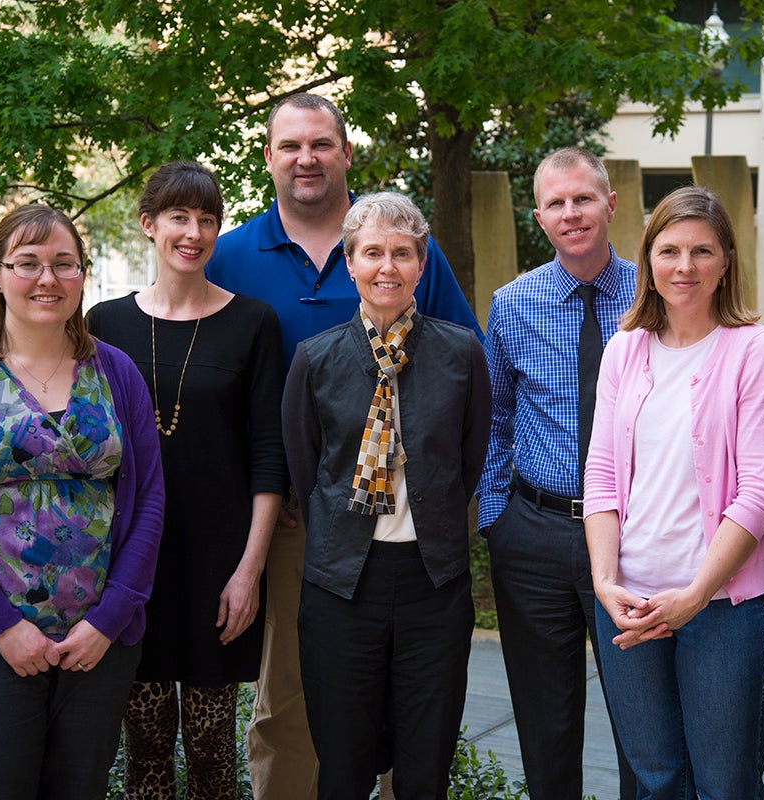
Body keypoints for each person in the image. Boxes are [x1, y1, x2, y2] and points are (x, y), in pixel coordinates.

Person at [203, 93, 480, 800]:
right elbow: (263, 415)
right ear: (268, 156)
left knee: (413, 719)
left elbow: (467, 417)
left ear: (345, 151)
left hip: (420, 538)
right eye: (290, 145)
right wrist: (288, 496)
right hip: (306, 521)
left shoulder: (418, 257)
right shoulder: (230, 256)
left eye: (321, 143)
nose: (306, 157)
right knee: (295, 704)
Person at [0, 204, 165, 799]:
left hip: (94, 649)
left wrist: (109, 620)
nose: (47, 279)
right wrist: (2, 626)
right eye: (28, 263)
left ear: (82, 275)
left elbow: (147, 501)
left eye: (63, 264)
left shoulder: (115, 372)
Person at [583, 186, 764, 799]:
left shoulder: (754, 350)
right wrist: (604, 583)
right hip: (629, 601)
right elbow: (600, 477)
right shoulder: (625, 350)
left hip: (727, 608)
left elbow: (758, 493)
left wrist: (696, 595)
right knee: (655, 781)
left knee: (725, 786)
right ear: (648, 259)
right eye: (669, 250)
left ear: (727, 259)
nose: (685, 266)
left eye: (702, 251)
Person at [87, 161, 286, 797]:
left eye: (207, 219)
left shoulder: (253, 322)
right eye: (179, 216)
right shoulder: (104, 325)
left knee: (209, 752)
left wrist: (249, 571)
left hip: (217, 564)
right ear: (149, 224)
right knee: (143, 752)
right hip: (132, 565)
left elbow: (270, 456)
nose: (193, 232)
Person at [281, 192, 489, 799]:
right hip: (343, 585)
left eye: (402, 253)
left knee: (424, 771)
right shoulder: (314, 361)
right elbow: (306, 467)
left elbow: (467, 461)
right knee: (342, 770)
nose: (387, 267)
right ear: (350, 263)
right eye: (372, 252)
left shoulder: (460, 354)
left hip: (433, 584)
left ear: (423, 265)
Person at [479, 146, 636, 800]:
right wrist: (497, 518)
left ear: (610, 204)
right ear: (538, 216)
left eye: (583, 198)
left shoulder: (654, 292)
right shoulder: (513, 304)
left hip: (636, 537)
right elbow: (493, 416)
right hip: (536, 535)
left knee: (643, 724)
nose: (571, 213)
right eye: (556, 203)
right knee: (546, 729)